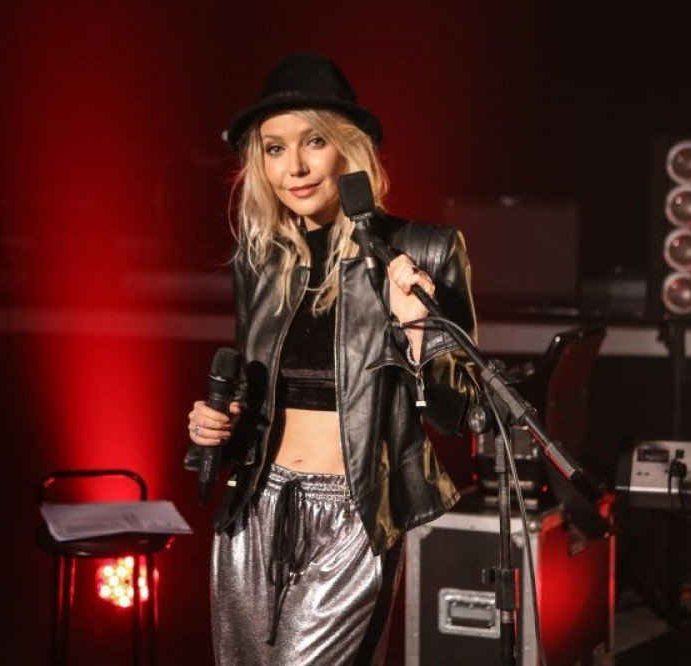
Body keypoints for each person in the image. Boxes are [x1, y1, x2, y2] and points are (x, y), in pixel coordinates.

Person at [186, 53, 479, 665]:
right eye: (274, 149)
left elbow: (459, 411)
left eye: (313, 142)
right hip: (255, 506)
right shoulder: (261, 261)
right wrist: (219, 423)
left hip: (354, 513)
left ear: (349, 150)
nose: (293, 167)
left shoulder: (422, 249)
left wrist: (417, 327)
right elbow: (256, 392)